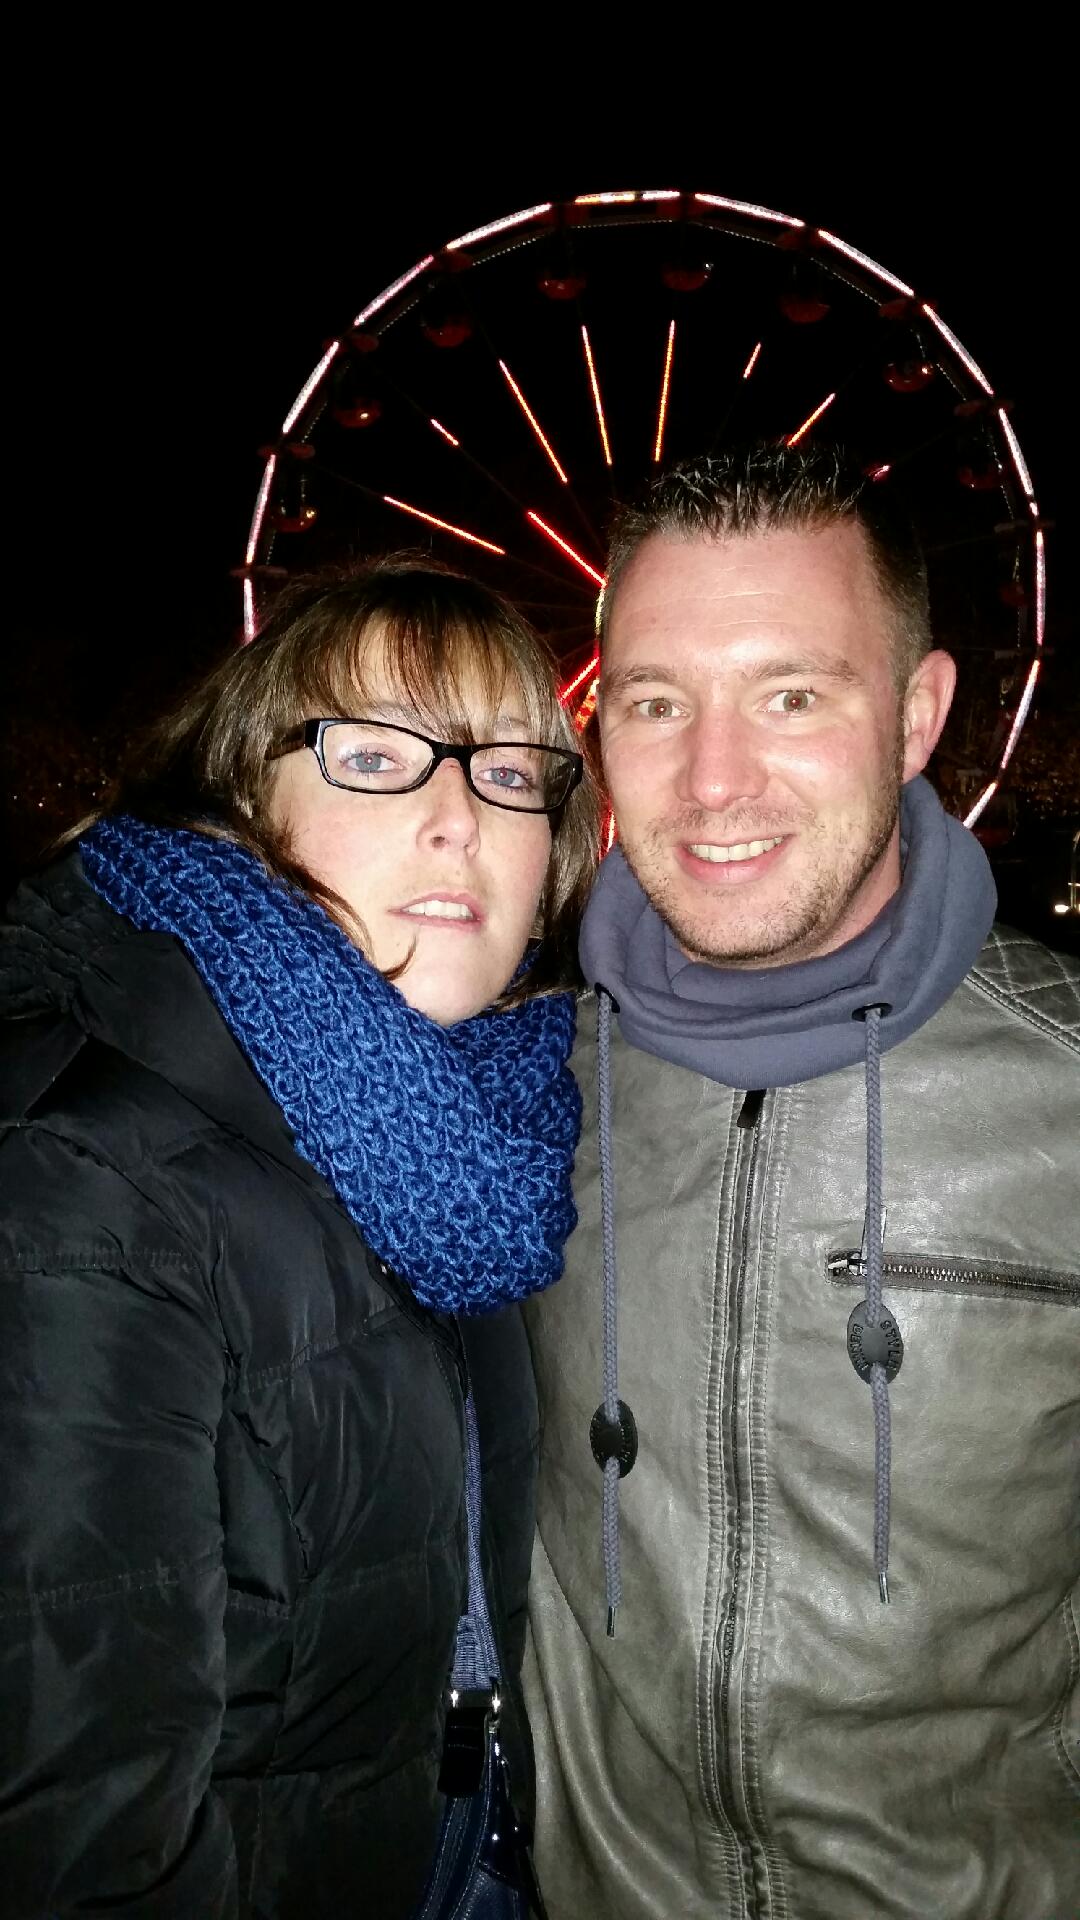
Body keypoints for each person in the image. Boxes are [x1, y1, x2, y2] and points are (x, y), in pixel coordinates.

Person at [522, 445, 1079, 1920]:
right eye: (656, 702)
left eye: (791, 696)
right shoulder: (508, 1098)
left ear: (918, 716)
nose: (712, 782)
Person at [0, 560, 598, 1917]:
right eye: (374, 757)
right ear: (242, 797)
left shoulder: (492, 1122)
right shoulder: (89, 1186)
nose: (458, 819)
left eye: (511, 772)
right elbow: (78, 1827)